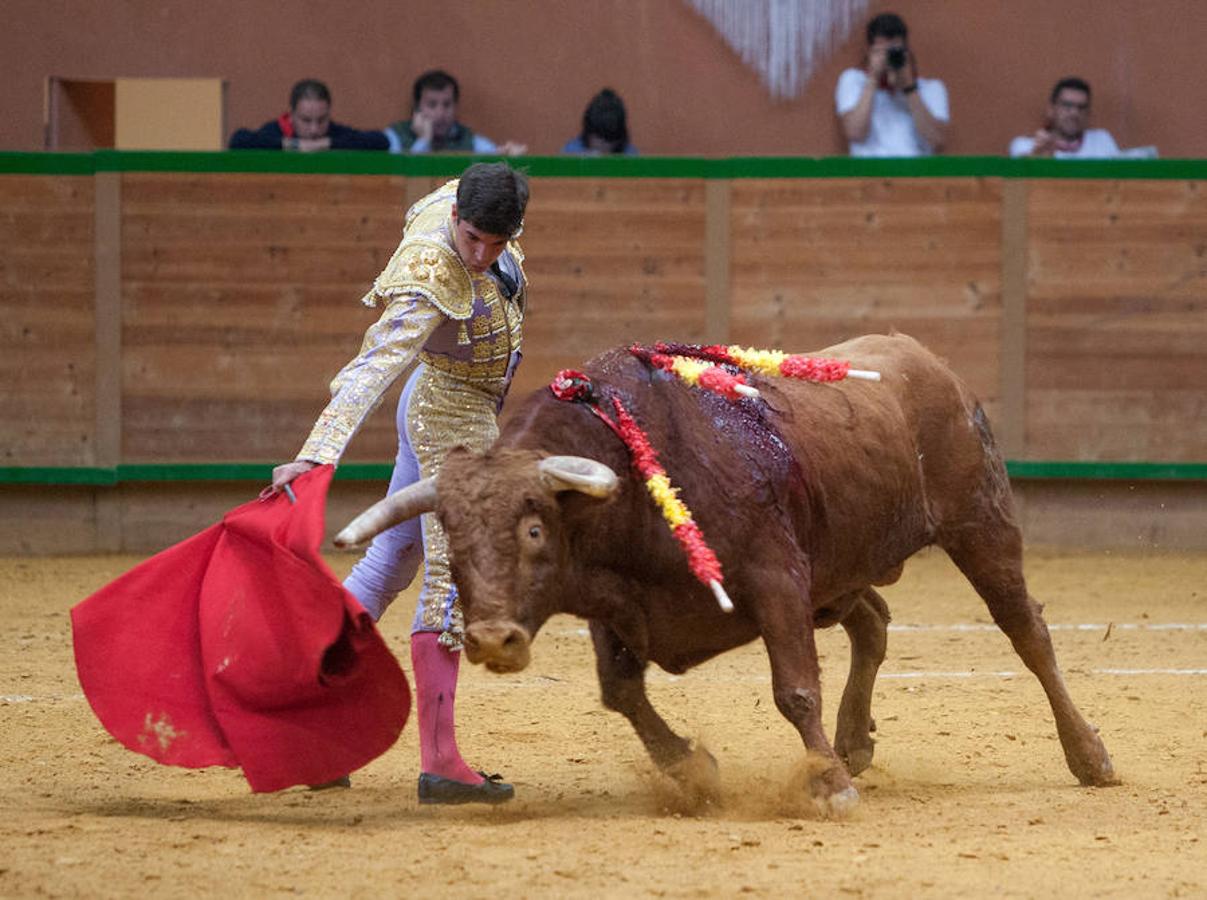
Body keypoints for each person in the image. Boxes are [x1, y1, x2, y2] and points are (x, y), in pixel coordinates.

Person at [270, 161, 530, 805]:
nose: (480, 255)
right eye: (472, 239)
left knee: (391, 560)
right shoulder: (429, 274)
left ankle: (310, 730)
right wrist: (316, 454)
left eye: (497, 244)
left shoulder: (470, 200)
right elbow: (373, 364)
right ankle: (440, 762)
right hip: (449, 419)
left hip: (456, 404)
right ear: (455, 219)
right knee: (451, 579)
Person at [835, 13, 948, 157]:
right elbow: (854, 132)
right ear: (869, 52)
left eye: (894, 52)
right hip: (869, 174)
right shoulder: (854, 81)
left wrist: (909, 88)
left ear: (907, 51)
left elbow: (936, 140)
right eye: (882, 52)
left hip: (915, 175)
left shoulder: (931, 88)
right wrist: (873, 80)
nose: (888, 59)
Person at [384, 69, 526, 155]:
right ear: (417, 107)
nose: (440, 113)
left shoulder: (471, 142)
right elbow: (400, 179)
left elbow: (494, 159)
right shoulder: (394, 137)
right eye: (432, 105)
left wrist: (508, 156)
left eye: (447, 104)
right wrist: (424, 141)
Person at [229, 79, 389, 151]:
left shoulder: (335, 133)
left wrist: (325, 144)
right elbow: (238, 140)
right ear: (291, 115)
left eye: (321, 120)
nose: (314, 129)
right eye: (306, 120)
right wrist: (295, 146)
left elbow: (380, 141)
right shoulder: (274, 131)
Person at [1009, 77, 1120, 159]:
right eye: (1067, 105)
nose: (1074, 113)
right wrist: (1036, 157)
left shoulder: (1102, 141)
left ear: (1088, 113)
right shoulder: (1025, 145)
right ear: (1051, 110)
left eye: (1081, 107)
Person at [561, 88, 639, 155]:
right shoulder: (571, 153)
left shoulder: (630, 155)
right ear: (588, 134)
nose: (604, 148)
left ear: (619, 140)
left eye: (609, 141)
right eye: (600, 141)